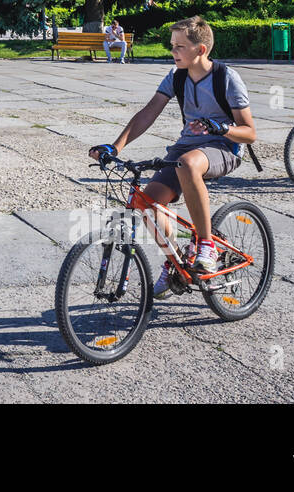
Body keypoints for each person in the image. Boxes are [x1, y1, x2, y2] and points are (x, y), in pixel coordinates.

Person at [88, 15, 257, 299]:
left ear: (200, 50)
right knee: (148, 201)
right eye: (171, 45)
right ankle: (176, 263)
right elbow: (148, 112)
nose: (172, 51)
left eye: (179, 46)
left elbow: (250, 132)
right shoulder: (177, 76)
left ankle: (206, 245)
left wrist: (223, 127)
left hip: (223, 148)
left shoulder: (226, 78)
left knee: (189, 163)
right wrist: (115, 147)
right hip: (185, 148)